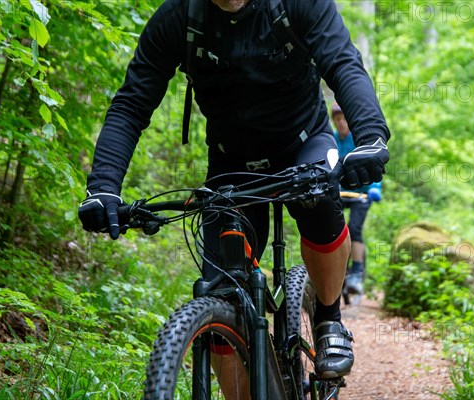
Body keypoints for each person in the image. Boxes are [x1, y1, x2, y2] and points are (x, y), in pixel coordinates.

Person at [77, 0, 390, 386]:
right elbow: (131, 104)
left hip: (304, 144)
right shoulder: (180, 17)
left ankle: (328, 320)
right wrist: (103, 188)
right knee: (223, 290)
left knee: (320, 201)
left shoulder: (299, 5)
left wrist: (371, 137)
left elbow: (344, 65)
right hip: (232, 163)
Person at [331, 103, 382, 295]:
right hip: (340, 191)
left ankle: (357, 272)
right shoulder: (332, 140)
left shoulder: (359, 139)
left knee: (354, 229)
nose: (341, 122)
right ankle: (337, 269)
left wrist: (375, 188)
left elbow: (373, 161)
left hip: (364, 192)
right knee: (334, 229)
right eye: (337, 119)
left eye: (344, 118)